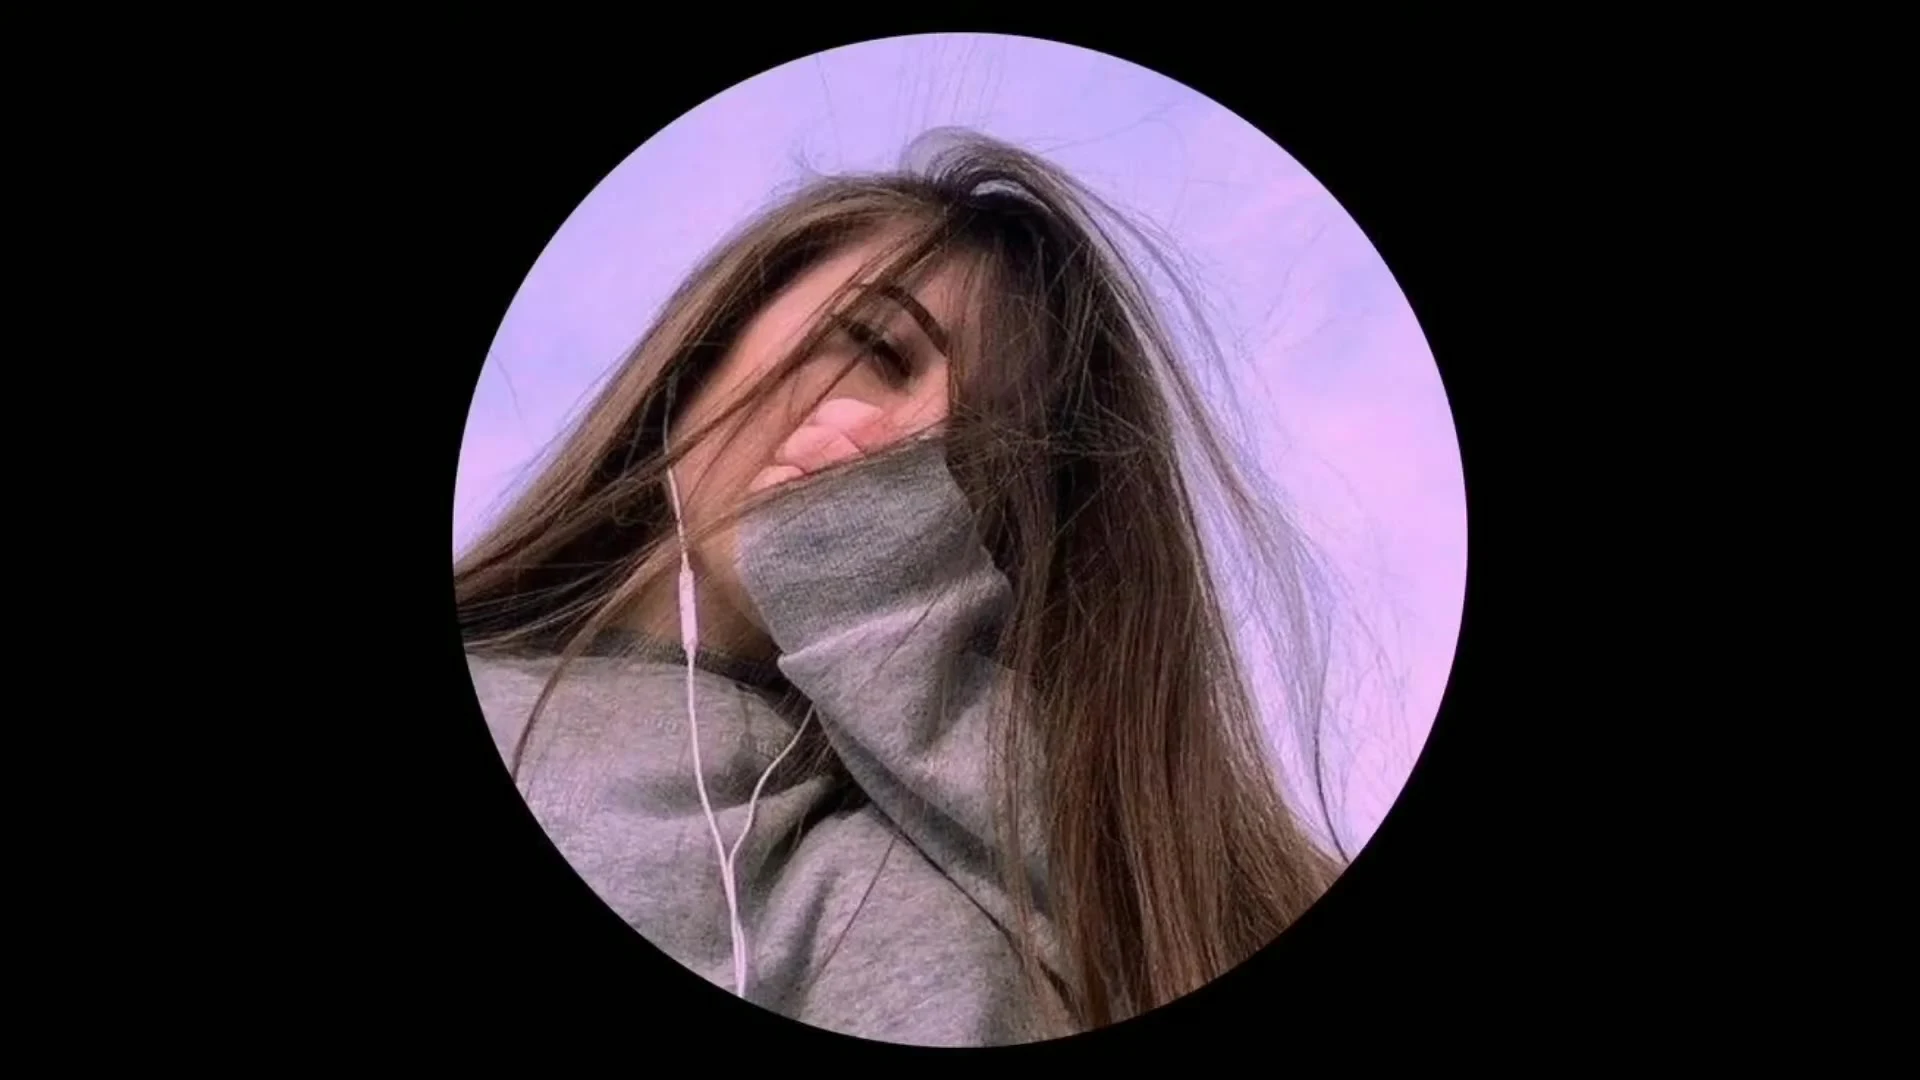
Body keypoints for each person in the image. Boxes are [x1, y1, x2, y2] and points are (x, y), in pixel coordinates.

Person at [455, 129, 1345, 1047]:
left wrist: (895, 643)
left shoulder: (984, 870)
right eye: (879, 350)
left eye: (979, 456)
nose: (914, 444)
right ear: (715, 336)